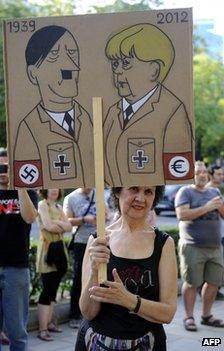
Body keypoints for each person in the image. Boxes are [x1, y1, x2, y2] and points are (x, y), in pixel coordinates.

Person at [78, 186, 177, 350]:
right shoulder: (98, 241)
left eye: (148, 192)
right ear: (117, 192)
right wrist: (95, 271)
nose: (140, 198)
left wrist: (128, 300)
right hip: (97, 343)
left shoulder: (164, 243)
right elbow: (88, 312)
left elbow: (168, 313)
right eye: (134, 189)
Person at [104, 23, 194, 186]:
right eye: (115, 64)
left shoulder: (172, 112)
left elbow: (175, 173)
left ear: (154, 70)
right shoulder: (112, 112)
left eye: (125, 63)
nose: (117, 71)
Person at [13, 25, 93, 189]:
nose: (71, 66)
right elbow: (28, 183)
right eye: (54, 55)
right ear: (33, 73)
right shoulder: (29, 128)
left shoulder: (88, 118)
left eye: (72, 54)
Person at [175, 161, 224, 331]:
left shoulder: (214, 191)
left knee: (214, 282)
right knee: (191, 282)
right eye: (198, 172)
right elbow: (182, 214)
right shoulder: (185, 191)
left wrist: (220, 206)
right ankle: (189, 317)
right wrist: (208, 207)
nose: (202, 175)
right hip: (192, 246)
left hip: (215, 247)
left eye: (204, 172)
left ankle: (206, 315)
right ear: (191, 175)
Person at [0, 148, 38, 351]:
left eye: (6, 166)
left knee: (17, 333)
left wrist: (20, 185)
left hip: (16, 268)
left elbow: (30, 217)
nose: (3, 170)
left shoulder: (27, 192)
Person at [36, 189, 72, 341]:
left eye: (56, 187)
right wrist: (60, 225)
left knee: (53, 289)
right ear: (45, 190)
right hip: (47, 250)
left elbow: (69, 227)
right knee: (47, 289)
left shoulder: (58, 207)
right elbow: (48, 226)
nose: (54, 190)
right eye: (51, 187)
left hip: (59, 250)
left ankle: (49, 323)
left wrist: (54, 223)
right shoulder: (42, 205)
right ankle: (42, 329)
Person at [63, 188, 97, 328]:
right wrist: (83, 219)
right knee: (78, 278)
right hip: (80, 242)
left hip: (98, 240)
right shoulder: (71, 198)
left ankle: (93, 311)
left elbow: (108, 213)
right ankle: (74, 314)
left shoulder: (98, 193)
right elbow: (66, 221)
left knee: (98, 276)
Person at [206, 164, 224, 300]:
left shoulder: (217, 191)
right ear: (210, 175)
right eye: (218, 174)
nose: (221, 176)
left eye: (222, 174)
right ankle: (211, 292)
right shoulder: (208, 191)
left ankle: (215, 291)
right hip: (211, 237)